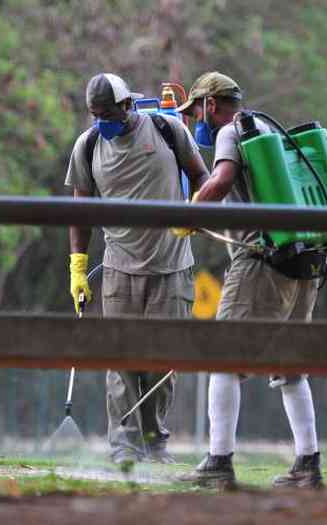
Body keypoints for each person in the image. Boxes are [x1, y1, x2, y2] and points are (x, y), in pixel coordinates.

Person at [173, 72, 324, 488]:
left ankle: (219, 460)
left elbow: (220, 181)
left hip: (261, 260)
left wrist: (189, 213)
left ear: (211, 104)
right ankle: (308, 466)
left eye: (197, 111)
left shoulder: (230, 131)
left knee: (223, 356)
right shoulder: (268, 129)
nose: (196, 120)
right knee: (289, 366)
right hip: (304, 261)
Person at [65, 73, 210, 464]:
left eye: (108, 114)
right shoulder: (89, 145)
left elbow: (201, 177)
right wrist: (78, 265)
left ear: (128, 105)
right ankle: (124, 447)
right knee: (122, 361)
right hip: (119, 270)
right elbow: (80, 211)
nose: (102, 122)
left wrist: (195, 211)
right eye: (95, 115)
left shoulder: (167, 128)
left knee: (164, 361)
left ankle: (154, 442)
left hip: (172, 265)